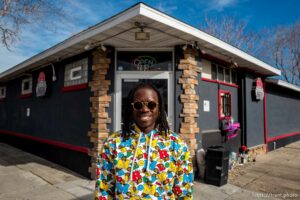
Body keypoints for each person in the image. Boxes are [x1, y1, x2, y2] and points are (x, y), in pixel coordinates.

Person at [95, 83, 193, 199]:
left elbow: (184, 193)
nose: (144, 109)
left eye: (151, 105)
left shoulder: (177, 145)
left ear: (160, 109)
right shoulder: (112, 144)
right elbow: (103, 191)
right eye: (138, 105)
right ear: (131, 109)